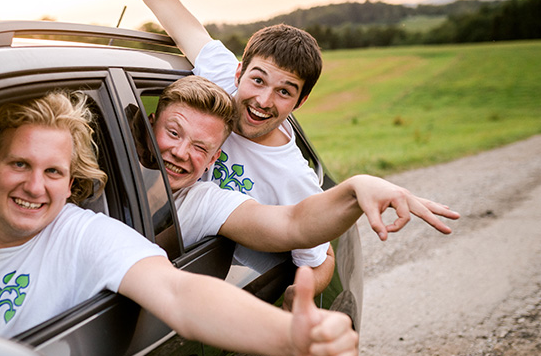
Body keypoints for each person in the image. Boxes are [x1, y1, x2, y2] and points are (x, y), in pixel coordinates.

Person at [0, 91, 359, 356]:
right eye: (20, 164)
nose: (36, 187)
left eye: (54, 172)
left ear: (71, 181)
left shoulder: (86, 237)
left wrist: (289, 335)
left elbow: (180, 293)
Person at [77, 0, 336, 293]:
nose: (264, 100)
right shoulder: (217, 73)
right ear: (238, 72)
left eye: (285, 92)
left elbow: (320, 258)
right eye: (257, 80)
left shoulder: (293, 178)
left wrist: (298, 300)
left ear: (300, 102)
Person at [144, 75, 458, 255]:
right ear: (150, 124)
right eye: (173, 133)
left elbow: (294, 223)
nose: (182, 152)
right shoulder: (97, 170)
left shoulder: (204, 201)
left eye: (200, 147)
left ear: (214, 159)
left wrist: (356, 187)